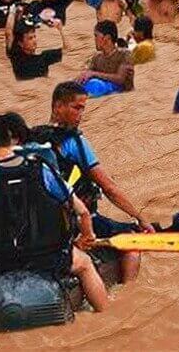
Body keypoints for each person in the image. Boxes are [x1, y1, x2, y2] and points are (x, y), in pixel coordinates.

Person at [0, 114, 108, 311]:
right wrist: (87, 237)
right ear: (10, 139)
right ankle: (106, 313)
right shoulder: (42, 170)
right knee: (85, 264)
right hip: (48, 258)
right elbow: (82, 212)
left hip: (0, 261)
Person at [28, 83, 155, 283]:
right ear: (57, 107)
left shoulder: (30, 138)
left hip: (39, 220)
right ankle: (127, 294)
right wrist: (140, 218)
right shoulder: (75, 143)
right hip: (74, 220)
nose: (80, 115)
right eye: (76, 108)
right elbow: (109, 188)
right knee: (132, 241)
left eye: (83, 108)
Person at [5, 7, 68, 80]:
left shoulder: (44, 57)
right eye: (30, 38)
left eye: (34, 37)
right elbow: (8, 33)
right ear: (20, 43)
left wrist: (61, 30)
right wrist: (12, 11)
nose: (34, 40)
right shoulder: (16, 56)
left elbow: (68, 51)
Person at [79, 20, 134, 92]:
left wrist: (94, 74)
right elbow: (87, 74)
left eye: (96, 36)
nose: (94, 39)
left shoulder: (125, 54)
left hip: (123, 98)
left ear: (107, 38)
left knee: (95, 85)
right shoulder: (97, 58)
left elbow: (120, 79)